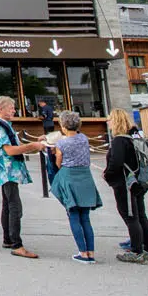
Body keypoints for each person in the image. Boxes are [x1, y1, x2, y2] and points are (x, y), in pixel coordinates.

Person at [0, 95, 46, 258]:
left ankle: (8, 239)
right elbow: (9, 150)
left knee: (7, 205)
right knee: (15, 207)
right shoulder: (0, 126)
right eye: (11, 108)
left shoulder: (4, 125)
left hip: (7, 170)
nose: (14, 110)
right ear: (0, 109)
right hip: (7, 170)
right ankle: (17, 243)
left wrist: (35, 141)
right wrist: (32, 146)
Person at [104, 108, 148, 263]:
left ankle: (136, 251)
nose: (108, 122)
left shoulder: (119, 141)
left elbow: (117, 162)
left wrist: (108, 174)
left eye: (110, 119)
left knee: (130, 216)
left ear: (116, 121)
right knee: (140, 215)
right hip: (136, 182)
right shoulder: (132, 138)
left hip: (125, 183)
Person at [50, 111, 102, 263]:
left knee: (73, 215)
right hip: (85, 176)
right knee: (85, 217)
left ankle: (82, 251)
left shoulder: (62, 143)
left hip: (69, 176)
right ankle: (91, 252)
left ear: (63, 125)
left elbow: (58, 161)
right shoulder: (84, 139)